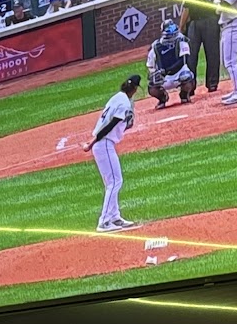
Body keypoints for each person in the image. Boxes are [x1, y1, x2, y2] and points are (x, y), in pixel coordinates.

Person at [82, 74, 141, 233]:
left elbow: (112, 122)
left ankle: (115, 217)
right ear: (134, 89)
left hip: (104, 144)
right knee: (115, 181)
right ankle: (104, 221)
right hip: (104, 144)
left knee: (113, 181)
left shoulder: (117, 97)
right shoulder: (124, 103)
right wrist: (92, 142)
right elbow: (110, 125)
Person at [180, 0, 221, 93]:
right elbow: (186, 8)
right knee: (191, 56)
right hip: (194, 22)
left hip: (210, 19)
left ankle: (212, 83)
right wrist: (182, 26)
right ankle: (190, 86)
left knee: (213, 53)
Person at [144, 16, 195, 109]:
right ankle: (162, 98)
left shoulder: (181, 40)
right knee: (152, 86)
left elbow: (183, 60)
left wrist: (167, 70)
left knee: (187, 76)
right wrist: (155, 72)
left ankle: (184, 95)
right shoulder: (156, 46)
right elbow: (150, 65)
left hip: (179, 72)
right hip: (165, 77)